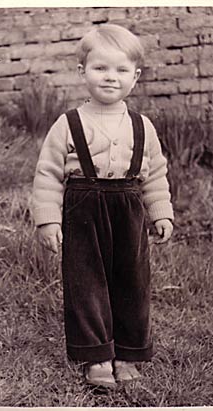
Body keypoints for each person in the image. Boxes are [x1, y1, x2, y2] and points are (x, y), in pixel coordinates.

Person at [32, 23, 174, 388]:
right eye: (100, 68)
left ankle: (128, 352)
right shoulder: (68, 124)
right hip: (83, 211)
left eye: (121, 70)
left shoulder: (143, 126)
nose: (111, 77)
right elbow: (47, 174)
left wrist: (160, 212)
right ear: (83, 72)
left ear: (135, 77)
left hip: (128, 208)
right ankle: (96, 355)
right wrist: (48, 220)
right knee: (86, 281)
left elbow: (155, 174)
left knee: (133, 281)